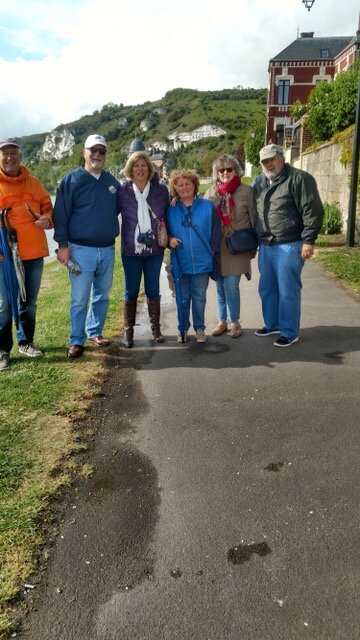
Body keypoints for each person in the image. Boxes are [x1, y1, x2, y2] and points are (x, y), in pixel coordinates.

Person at [53, 134, 120, 359]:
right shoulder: (71, 180)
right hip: (80, 250)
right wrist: (63, 246)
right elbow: (60, 215)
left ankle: (95, 332)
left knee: (102, 294)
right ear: (85, 152)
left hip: (108, 249)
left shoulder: (112, 182)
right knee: (80, 297)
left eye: (102, 151)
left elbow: (122, 209)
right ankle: (76, 339)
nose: (97, 155)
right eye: (93, 150)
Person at [252, 143, 324, 347]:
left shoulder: (299, 178)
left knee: (287, 290)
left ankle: (289, 332)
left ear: (281, 158)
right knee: (267, 288)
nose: (268, 164)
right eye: (264, 161)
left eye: (271, 159)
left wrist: (308, 241)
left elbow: (313, 211)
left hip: (289, 244)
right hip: (266, 245)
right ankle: (272, 324)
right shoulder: (259, 181)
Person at [0, 137, 53, 371]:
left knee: (28, 302)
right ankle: (2, 350)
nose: (9, 157)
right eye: (5, 153)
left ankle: (25, 342)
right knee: (3, 305)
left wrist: (47, 220)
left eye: (13, 153)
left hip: (33, 253)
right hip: (4, 257)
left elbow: (47, 207)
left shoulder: (34, 183)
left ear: (21, 156)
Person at [117, 151, 169, 348]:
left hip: (154, 249)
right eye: (136, 165)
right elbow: (108, 213)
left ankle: (155, 329)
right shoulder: (123, 191)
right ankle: (128, 331)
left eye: (143, 165)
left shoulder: (160, 191)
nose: (140, 169)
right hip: (131, 250)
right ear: (130, 169)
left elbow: (169, 212)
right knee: (130, 290)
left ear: (149, 168)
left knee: (153, 288)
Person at [204, 154, 257, 338]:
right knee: (219, 285)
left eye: (229, 169)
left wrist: (253, 247)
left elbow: (254, 219)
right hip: (218, 246)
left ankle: (235, 322)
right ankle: (222, 321)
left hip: (238, 245)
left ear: (236, 171)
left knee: (231, 285)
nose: (225, 173)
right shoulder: (210, 193)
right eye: (221, 170)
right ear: (216, 173)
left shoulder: (246, 191)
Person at [167, 169, 221, 343]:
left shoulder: (207, 206)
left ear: (195, 185)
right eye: (180, 185)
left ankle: (200, 329)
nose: (184, 188)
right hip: (180, 263)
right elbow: (164, 231)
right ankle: (182, 329)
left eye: (187, 184)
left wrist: (212, 251)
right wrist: (169, 239)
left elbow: (216, 231)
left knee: (199, 298)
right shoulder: (171, 209)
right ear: (175, 188)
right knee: (182, 300)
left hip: (202, 262)